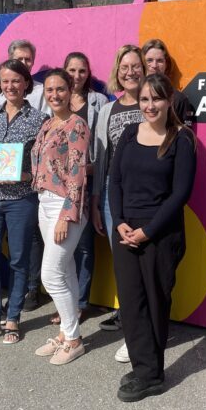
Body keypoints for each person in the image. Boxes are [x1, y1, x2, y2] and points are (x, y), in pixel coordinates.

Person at [109, 73, 196, 402]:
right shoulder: (131, 133)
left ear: (169, 100)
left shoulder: (182, 140)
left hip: (160, 234)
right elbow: (114, 180)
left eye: (156, 99)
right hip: (126, 231)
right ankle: (143, 365)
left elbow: (180, 195)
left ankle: (152, 374)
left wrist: (148, 231)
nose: (149, 105)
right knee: (132, 304)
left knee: (156, 303)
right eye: (144, 99)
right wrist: (119, 222)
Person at [0, 59, 48, 345]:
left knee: (18, 260)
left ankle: (12, 317)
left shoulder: (39, 120)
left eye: (16, 80)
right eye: (5, 81)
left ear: (26, 83)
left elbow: (45, 163)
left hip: (21, 199)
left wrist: (26, 175)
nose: (10, 86)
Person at [30, 68, 90, 364]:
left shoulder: (76, 124)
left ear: (71, 91)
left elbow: (78, 173)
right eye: (50, 90)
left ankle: (75, 339)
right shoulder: (47, 124)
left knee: (51, 275)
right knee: (65, 270)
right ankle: (67, 334)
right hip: (44, 203)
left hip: (65, 205)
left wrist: (67, 215)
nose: (54, 94)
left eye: (60, 89)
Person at [90, 45, 147, 341]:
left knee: (144, 257)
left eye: (136, 66)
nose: (130, 72)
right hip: (114, 193)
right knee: (122, 259)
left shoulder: (152, 104)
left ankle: (142, 317)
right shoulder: (108, 110)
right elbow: (101, 158)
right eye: (124, 67)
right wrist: (97, 201)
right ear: (117, 72)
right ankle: (128, 313)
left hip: (146, 195)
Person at [48, 52, 109, 325]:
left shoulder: (99, 102)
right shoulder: (54, 101)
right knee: (63, 245)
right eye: (71, 70)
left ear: (88, 73)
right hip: (60, 185)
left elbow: (101, 143)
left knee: (83, 245)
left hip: (90, 179)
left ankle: (80, 302)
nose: (76, 75)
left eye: (82, 70)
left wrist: (91, 168)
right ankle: (66, 302)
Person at [0, 39, 51, 312]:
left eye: (29, 60)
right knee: (15, 238)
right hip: (5, 181)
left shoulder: (41, 91)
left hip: (33, 178)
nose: (25, 64)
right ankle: (20, 287)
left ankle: (32, 288)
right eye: (20, 59)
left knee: (34, 237)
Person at [142, 39, 194, 128]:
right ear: (142, 63)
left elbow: (186, 137)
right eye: (149, 60)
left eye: (160, 61)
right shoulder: (133, 96)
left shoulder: (179, 99)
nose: (154, 65)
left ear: (166, 64)